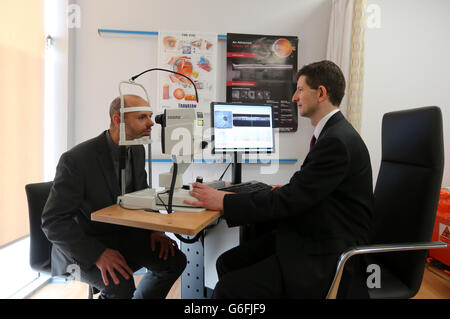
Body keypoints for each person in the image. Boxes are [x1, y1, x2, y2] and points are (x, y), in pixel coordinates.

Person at [184, 60, 374, 298]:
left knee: (227, 289)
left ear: (322, 93)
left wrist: (224, 201)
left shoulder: (335, 140)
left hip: (327, 253)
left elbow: (292, 200)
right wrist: (285, 190)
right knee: (227, 262)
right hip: (317, 234)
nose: (295, 97)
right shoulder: (334, 133)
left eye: (301, 89)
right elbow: (307, 190)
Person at [42, 94, 187, 299]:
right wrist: (98, 255)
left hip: (122, 237)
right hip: (84, 245)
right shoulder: (76, 160)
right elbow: (53, 222)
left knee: (174, 261)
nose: (151, 122)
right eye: (142, 117)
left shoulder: (136, 150)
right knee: (120, 285)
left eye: (150, 116)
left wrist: (155, 230)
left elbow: (142, 194)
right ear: (118, 120)